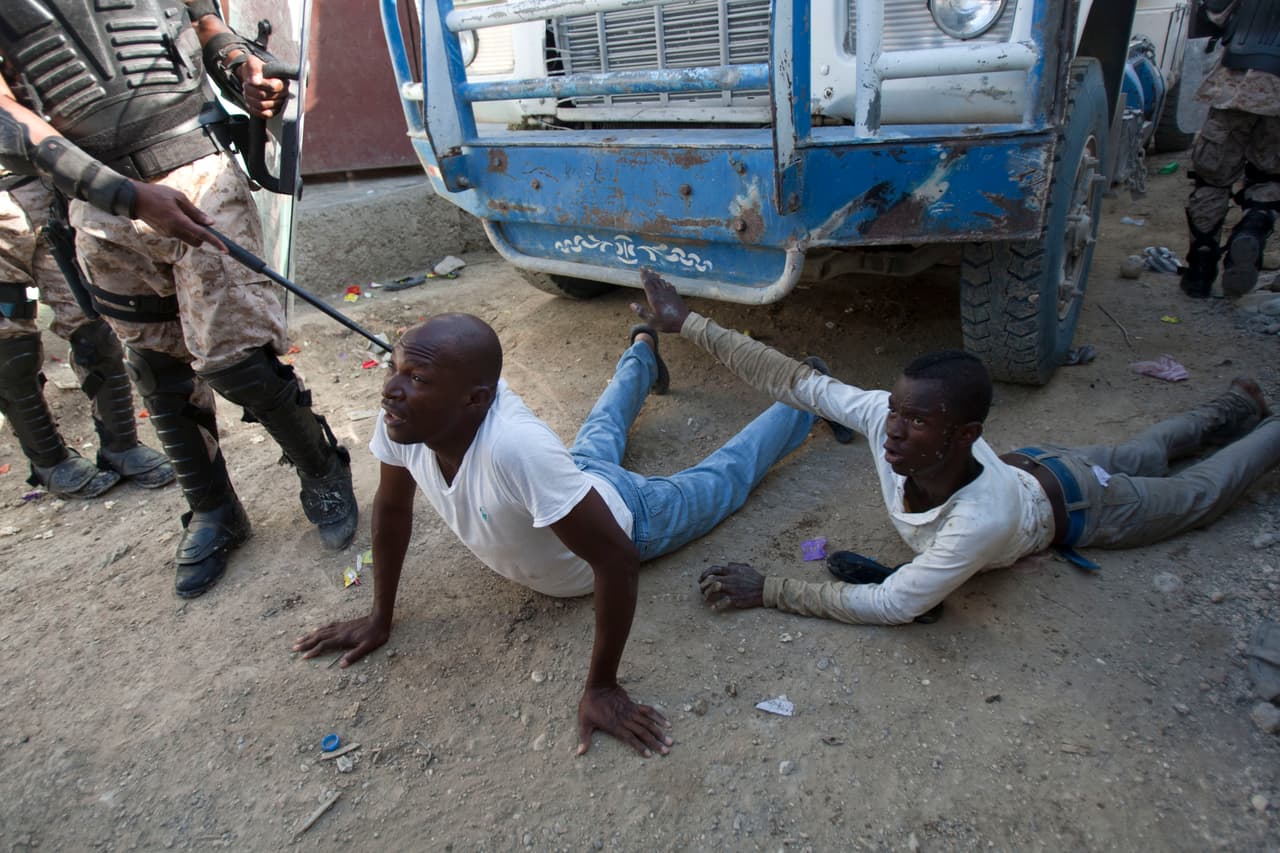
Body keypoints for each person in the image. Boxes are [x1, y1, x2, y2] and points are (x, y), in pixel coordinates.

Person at [295, 313, 838, 756]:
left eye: (417, 378)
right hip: (570, 488)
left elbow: (618, 558)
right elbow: (391, 507)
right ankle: (644, 346)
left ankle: (808, 390)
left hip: (631, 513)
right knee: (600, 431)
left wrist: (601, 686)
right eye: (396, 368)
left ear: (475, 399)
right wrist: (379, 615)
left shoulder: (516, 448)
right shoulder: (405, 417)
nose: (391, 389)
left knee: (722, 479)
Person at [633, 269, 1280, 625]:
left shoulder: (979, 519)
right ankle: (1239, 403)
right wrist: (687, 322)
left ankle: (1263, 423)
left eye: (915, 421)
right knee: (1147, 448)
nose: (891, 428)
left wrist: (769, 588)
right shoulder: (890, 418)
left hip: (1083, 503)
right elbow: (795, 380)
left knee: (1199, 491)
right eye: (896, 409)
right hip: (1039, 463)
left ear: (964, 435)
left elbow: (895, 603)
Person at [0, 1, 358, 597]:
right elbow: (6, 108)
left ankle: (323, 470)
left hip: (192, 169)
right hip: (95, 200)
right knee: (159, 368)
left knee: (240, 360)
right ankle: (214, 508)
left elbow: (204, 24)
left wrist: (243, 67)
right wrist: (120, 193)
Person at [2, 177, 173, 497]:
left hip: (38, 189)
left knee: (93, 326)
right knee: (12, 349)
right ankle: (50, 461)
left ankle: (120, 445)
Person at [1179, 0, 1280, 299]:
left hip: (1235, 81)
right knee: (1270, 176)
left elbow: (1214, 12)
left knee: (1212, 178)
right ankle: (1252, 228)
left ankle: (1200, 266)